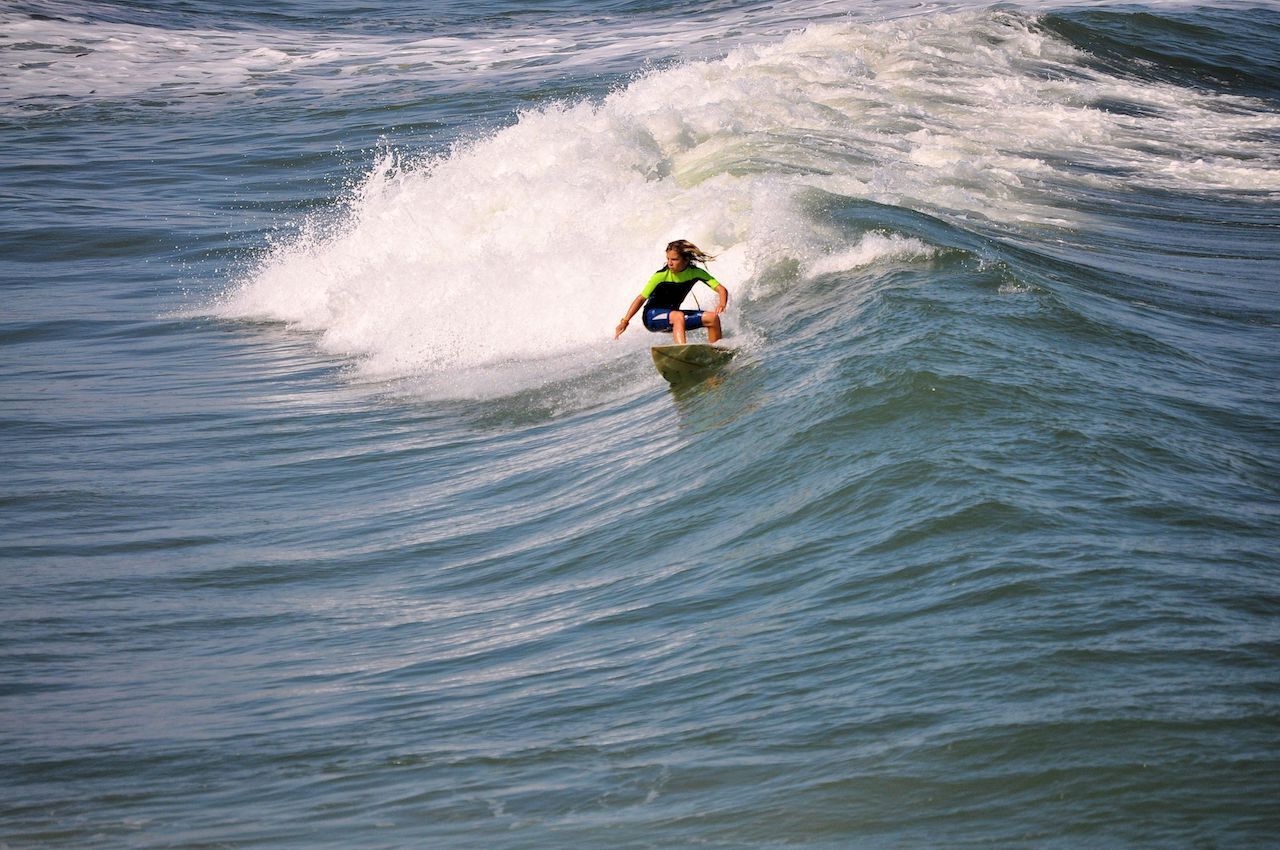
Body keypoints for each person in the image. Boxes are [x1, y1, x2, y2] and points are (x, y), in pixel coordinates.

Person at [615, 240, 729, 345]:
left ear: (686, 260)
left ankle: (716, 350)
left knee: (712, 318)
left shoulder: (696, 273)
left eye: (674, 259)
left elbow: (721, 289)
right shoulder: (660, 276)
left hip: (674, 317)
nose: (669, 263)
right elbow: (641, 298)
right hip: (652, 317)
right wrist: (625, 321)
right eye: (668, 259)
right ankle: (681, 351)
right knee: (678, 316)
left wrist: (722, 304)